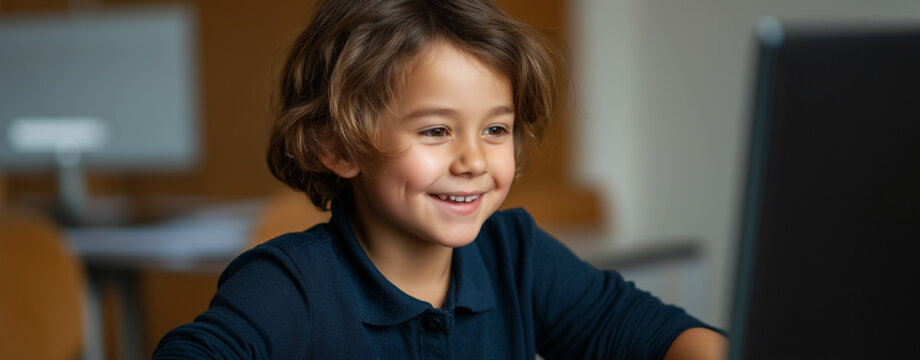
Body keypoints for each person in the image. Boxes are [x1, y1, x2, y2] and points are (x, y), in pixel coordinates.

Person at [154, 0, 727, 358]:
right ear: (336, 145)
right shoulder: (289, 285)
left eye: (496, 130)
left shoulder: (515, 254)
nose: (474, 161)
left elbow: (665, 336)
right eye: (435, 132)